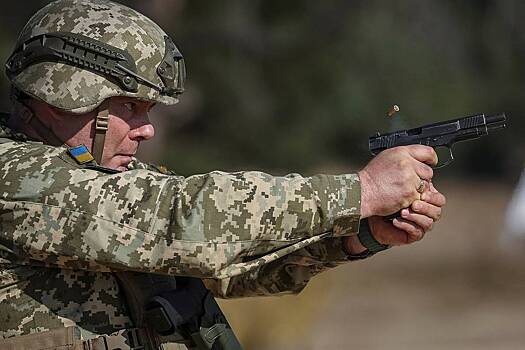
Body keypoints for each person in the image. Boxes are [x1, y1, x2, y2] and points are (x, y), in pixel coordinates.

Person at [0, 0, 446, 349]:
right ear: (62, 97)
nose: (147, 129)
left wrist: (356, 236)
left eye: (148, 110)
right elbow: (181, 218)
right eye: (129, 107)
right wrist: (361, 191)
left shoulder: (97, 178)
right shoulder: (16, 177)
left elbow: (227, 268)